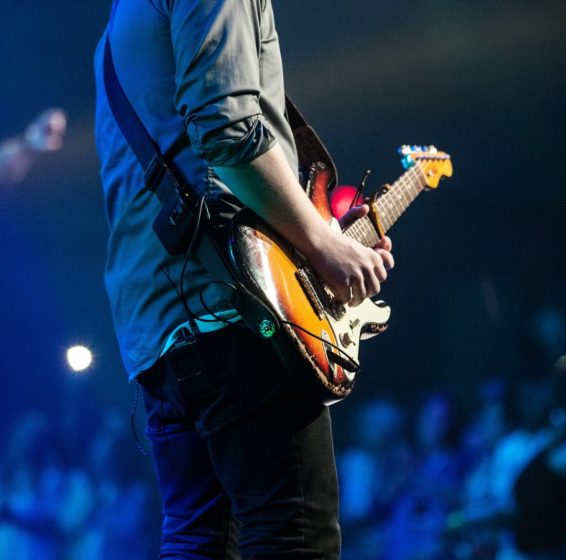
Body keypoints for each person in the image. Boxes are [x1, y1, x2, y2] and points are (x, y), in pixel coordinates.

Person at [93, 1, 394, 558]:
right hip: (237, 308)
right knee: (294, 536)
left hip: (159, 327)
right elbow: (228, 133)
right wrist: (323, 243)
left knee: (197, 543)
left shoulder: (122, 18)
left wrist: (319, 232)